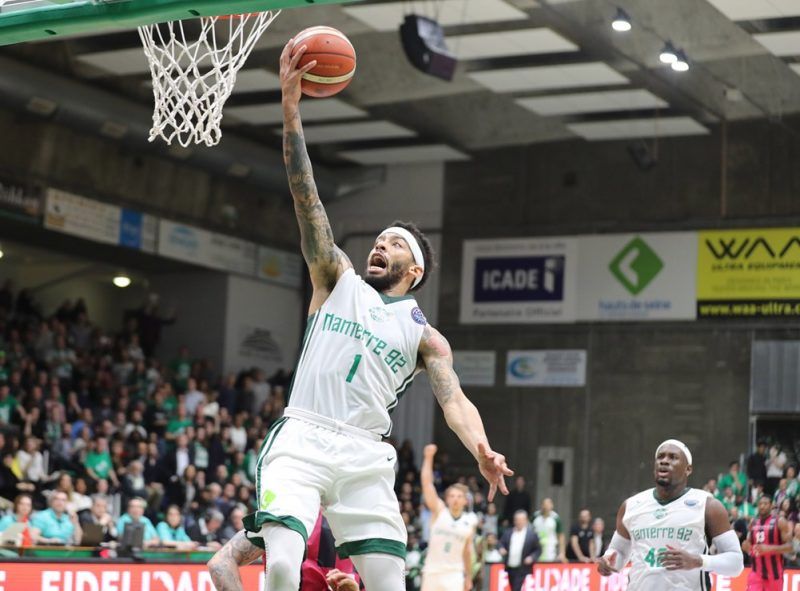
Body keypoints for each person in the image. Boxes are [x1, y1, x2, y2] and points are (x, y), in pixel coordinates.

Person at [207, 37, 513, 591]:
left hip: (365, 455)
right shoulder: (336, 278)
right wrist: (291, 111)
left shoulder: (426, 337)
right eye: (377, 239)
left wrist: (482, 449)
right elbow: (307, 199)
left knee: (390, 584)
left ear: (413, 270)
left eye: (393, 244)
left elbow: (454, 402)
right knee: (281, 565)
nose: (379, 245)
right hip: (304, 434)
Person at [597, 439, 744, 590]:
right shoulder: (631, 505)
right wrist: (608, 562)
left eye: (673, 457)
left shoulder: (708, 505)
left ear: (688, 469)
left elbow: (736, 563)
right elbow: (619, 552)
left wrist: (699, 561)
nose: (664, 461)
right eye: (660, 457)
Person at [419, 444, 477, 591]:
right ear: (446, 499)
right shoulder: (439, 511)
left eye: (459, 496)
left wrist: (468, 576)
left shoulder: (470, 521)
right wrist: (428, 458)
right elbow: (427, 484)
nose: (455, 499)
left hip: (454, 574)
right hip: (432, 571)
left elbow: (467, 552)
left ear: (465, 501)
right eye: (452, 496)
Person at [742, 496, 793, 591]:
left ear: (771, 505)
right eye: (760, 504)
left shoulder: (780, 521)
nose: (762, 506)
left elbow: (790, 547)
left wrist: (769, 549)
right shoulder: (753, 523)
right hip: (756, 574)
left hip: (774, 575)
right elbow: (749, 546)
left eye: (765, 504)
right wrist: (746, 547)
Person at [499, 510, 540, 591]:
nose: (519, 522)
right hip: (510, 567)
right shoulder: (508, 533)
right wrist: (501, 548)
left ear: (526, 521)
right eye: (517, 520)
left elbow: (538, 549)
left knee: (516, 587)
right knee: (513, 586)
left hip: (522, 568)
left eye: (521, 520)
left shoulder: (531, 535)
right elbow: (500, 543)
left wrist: (532, 557)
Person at [532, 498, 566, 562]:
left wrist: (562, 553)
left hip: (550, 548)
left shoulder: (556, 518)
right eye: (544, 505)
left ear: (552, 506)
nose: (546, 507)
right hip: (536, 547)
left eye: (548, 505)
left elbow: (560, 536)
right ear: (541, 505)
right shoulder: (535, 516)